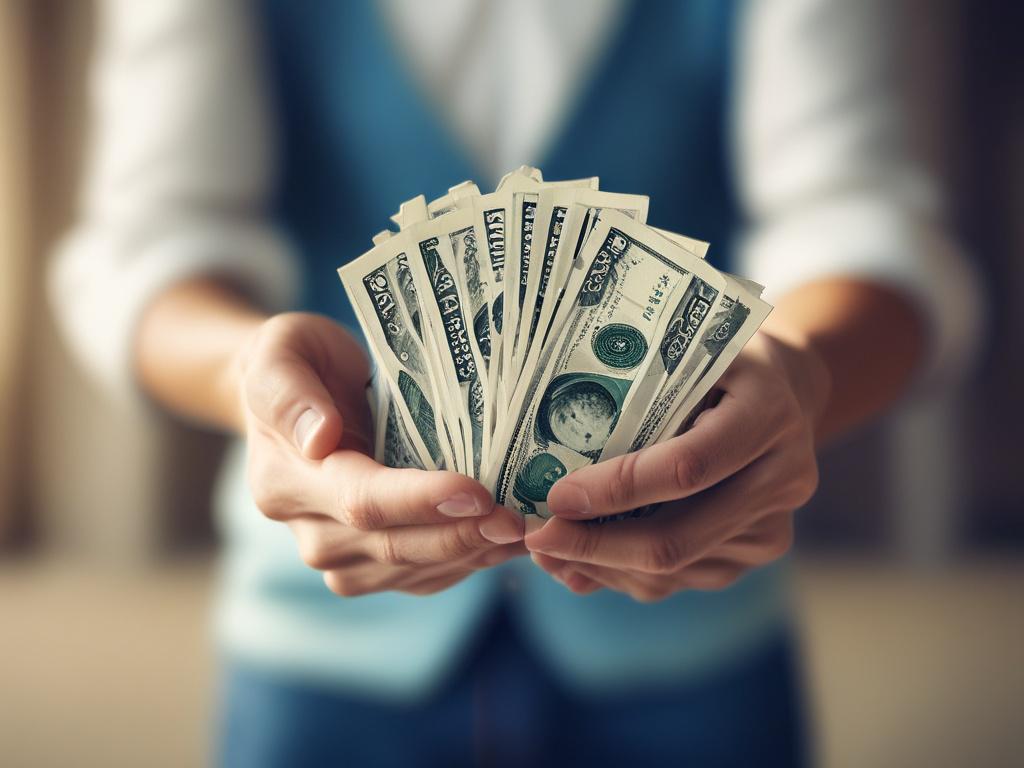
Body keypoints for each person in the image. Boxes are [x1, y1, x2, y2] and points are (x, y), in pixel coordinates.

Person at [52, 0, 977, 765]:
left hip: (692, 644)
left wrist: (805, 380)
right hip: (324, 647)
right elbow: (149, 243)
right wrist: (248, 378)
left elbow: (860, 220)